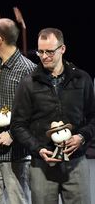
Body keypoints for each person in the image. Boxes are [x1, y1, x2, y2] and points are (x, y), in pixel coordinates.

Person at [10, 27, 95, 204]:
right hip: (42, 164)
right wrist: (37, 148)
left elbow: (93, 117)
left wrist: (82, 136)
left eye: (49, 51)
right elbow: (18, 125)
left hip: (76, 163)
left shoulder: (82, 79)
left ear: (62, 49)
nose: (44, 56)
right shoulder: (28, 84)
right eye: (40, 51)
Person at [0, 18, 36, 204]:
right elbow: (2, 100)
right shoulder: (0, 65)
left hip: (16, 155)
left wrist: (13, 134)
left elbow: (36, 110)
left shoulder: (27, 69)